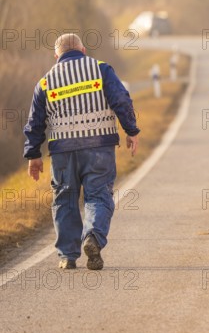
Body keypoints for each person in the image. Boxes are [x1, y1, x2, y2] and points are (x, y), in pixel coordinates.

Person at [24, 34, 140, 270]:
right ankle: (93, 237)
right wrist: (131, 130)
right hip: (99, 146)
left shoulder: (45, 82)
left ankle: (67, 256)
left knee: (64, 199)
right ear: (83, 50)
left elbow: (35, 122)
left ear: (56, 56)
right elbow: (121, 100)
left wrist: (33, 154)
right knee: (98, 196)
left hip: (62, 152)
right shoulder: (101, 69)